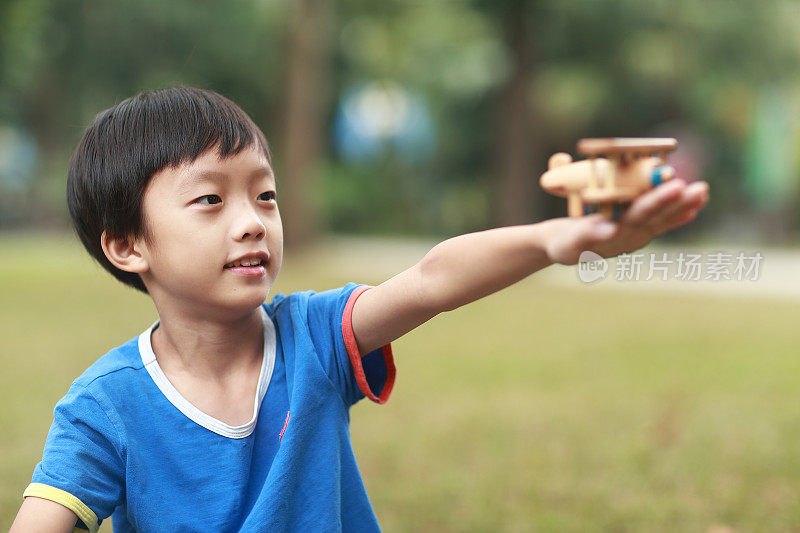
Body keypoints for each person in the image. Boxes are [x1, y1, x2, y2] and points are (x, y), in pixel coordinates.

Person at [10, 86, 709, 532]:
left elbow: (433, 279)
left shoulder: (312, 336)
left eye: (265, 195)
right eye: (210, 200)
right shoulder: (106, 406)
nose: (253, 222)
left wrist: (559, 238)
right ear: (128, 245)